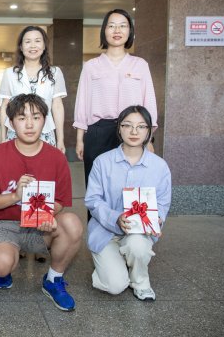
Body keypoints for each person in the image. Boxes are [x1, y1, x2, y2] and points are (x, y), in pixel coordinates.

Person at [0, 94, 83, 312]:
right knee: (1, 265)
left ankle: (53, 279)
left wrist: (46, 214)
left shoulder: (56, 157)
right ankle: (5, 267)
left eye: (36, 117)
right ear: (11, 122)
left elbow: (60, 201)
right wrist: (15, 196)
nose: (29, 124)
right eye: (21, 118)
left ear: (45, 120)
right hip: (2, 224)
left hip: (39, 227)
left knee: (72, 223)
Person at [85, 105, 171, 301]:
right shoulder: (102, 162)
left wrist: (157, 218)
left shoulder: (159, 166)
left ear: (148, 131)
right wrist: (116, 218)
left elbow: (163, 202)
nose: (134, 131)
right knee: (115, 286)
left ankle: (140, 280)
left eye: (141, 126)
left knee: (137, 246)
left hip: (138, 233)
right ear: (119, 128)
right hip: (105, 233)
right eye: (128, 125)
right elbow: (92, 199)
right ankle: (112, 265)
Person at [74, 8, 157, 194]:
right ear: (104, 30)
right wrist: (80, 140)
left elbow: (149, 102)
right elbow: (82, 103)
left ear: (130, 31)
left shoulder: (140, 65)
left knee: (132, 186)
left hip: (133, 131)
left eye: (123, 26)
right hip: (99, 132)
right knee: (97, 187)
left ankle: (130, 216)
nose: (117, 30)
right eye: (111, 26)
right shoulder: (91, 66)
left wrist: (149, 138)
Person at [0, 25, 67, 153]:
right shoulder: (9, 73)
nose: (33, 46)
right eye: (28, 42)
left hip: (45, 133)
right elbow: (5, 106)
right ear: (21, 46)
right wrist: (3, 137)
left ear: (44, 45)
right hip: (16, 133)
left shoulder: (55, 73)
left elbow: (57, 106)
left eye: (37, 41)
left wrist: (60, 139)